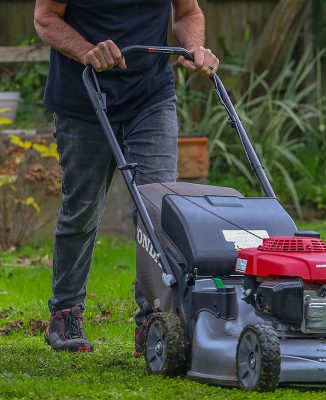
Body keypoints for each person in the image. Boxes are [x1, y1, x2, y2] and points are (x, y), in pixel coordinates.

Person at [33, 0, 219, 353]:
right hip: (83, 95)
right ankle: (66, 313)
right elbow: (45, 18)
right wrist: (88, 50)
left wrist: (193, 46)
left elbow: (187, 13)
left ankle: (154, 318)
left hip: (150, 95)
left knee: (159, 209)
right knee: (82, 210)